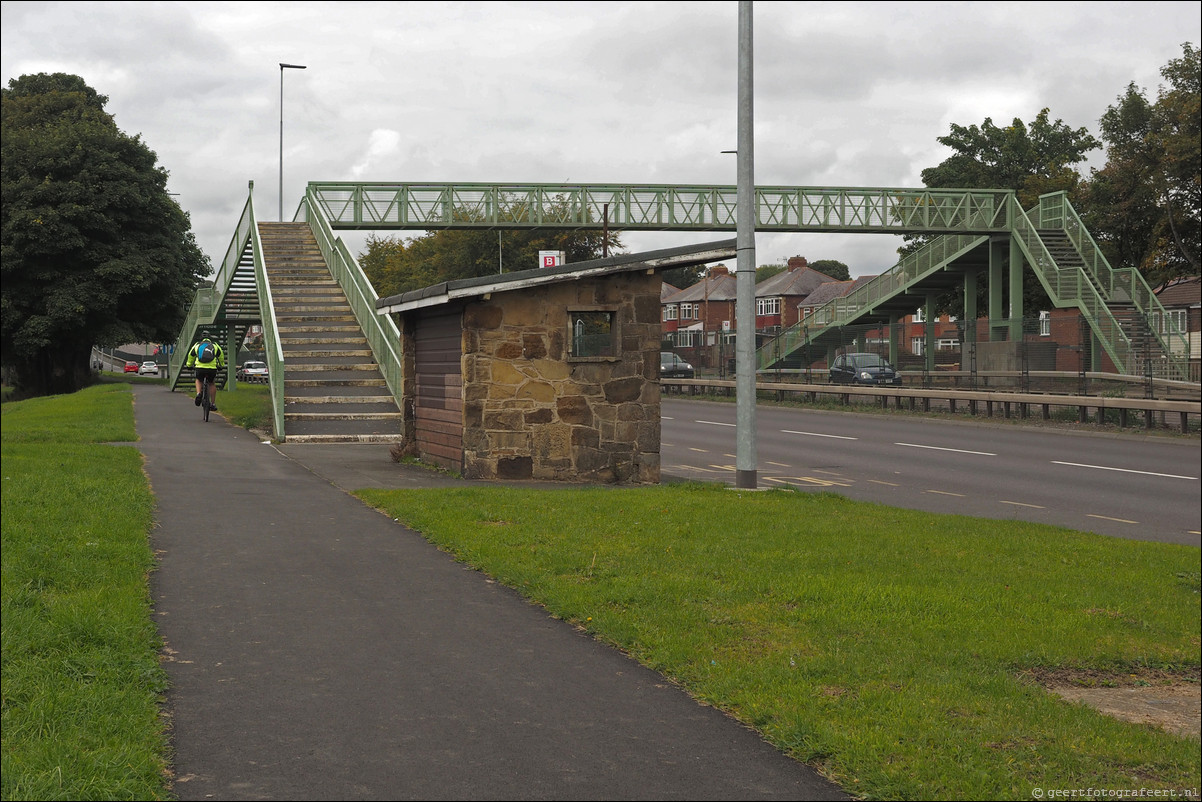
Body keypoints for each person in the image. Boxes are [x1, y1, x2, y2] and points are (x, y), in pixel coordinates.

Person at [186, 336, 225, 412]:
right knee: (211, 383)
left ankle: (198, 394)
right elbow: (221, 356)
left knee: (198, 380)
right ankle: (213, 404)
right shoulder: (215, 345)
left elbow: (191, 355)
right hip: (212, 369)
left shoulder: (197, 345)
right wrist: (221, 365)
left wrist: (189, 365)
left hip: (200, 368)